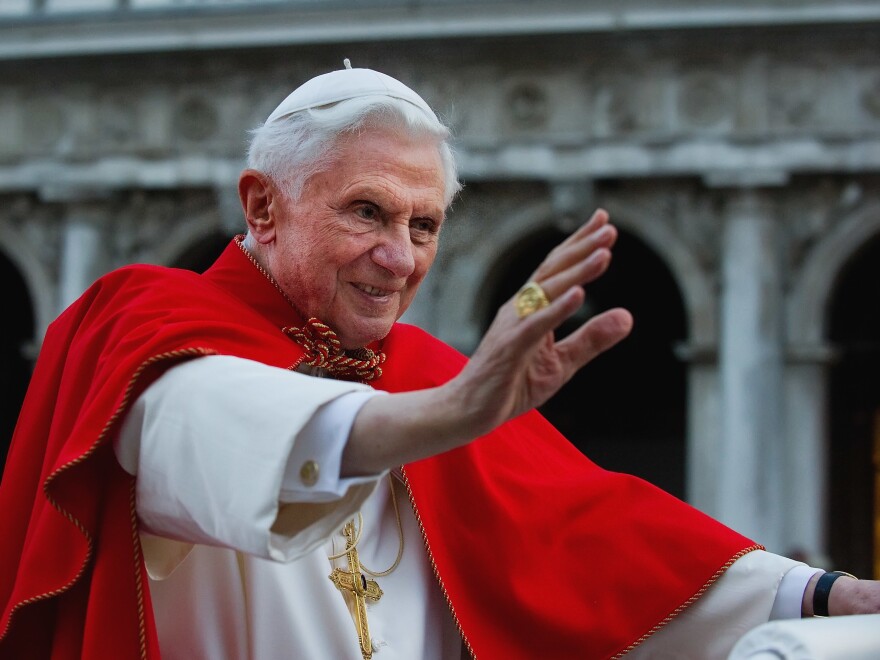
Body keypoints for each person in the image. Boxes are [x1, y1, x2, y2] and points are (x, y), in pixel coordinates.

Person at [1, 62, 878, 660]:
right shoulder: (148, 325)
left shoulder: (422, 370)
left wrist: (822, 595)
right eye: (367, 213)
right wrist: (448, 414)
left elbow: (587, 535)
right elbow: (212, 431)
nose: (400, 258)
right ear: (263, 206)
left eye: (423, 227)